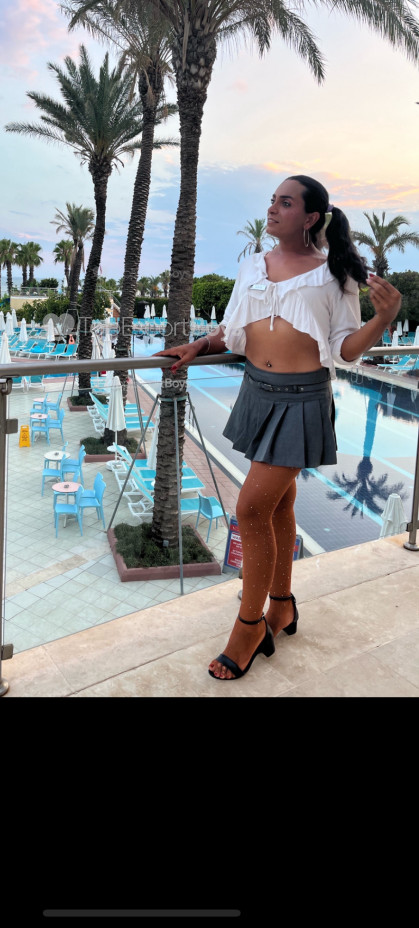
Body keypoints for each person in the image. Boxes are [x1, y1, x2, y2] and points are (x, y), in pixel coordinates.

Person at [154, 175, 402, 681]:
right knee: (280, 505)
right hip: (256, 393)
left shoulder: (334, 275)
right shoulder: (252, 265)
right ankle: (282, 604)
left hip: (302, 402)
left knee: (250, 509)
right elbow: (232, 329)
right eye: (272, 200)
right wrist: (200, 345)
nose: (272, 209)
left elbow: (344, 350)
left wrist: (383, 319)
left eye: (285, 203)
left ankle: (249, 627)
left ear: (310, 217)